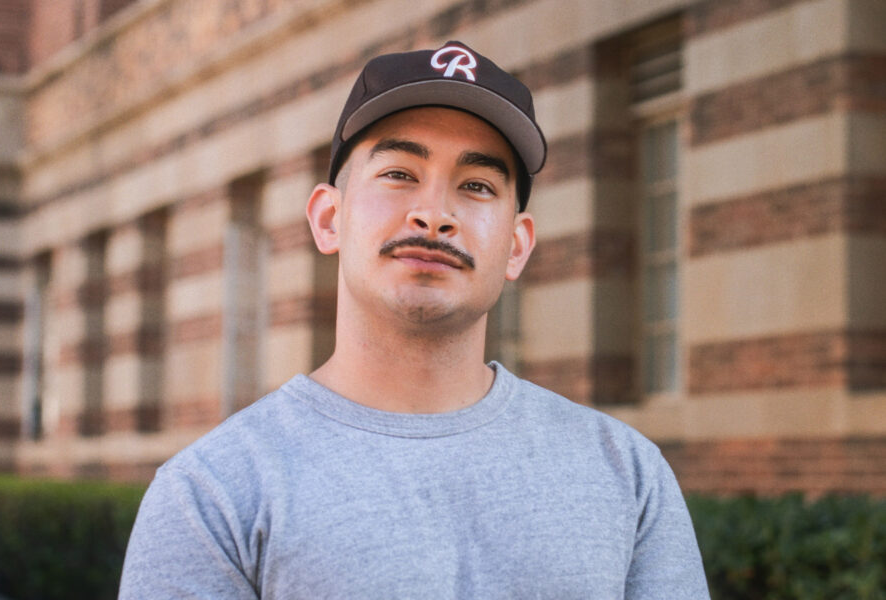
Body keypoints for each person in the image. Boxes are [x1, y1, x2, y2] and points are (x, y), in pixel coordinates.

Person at [119, 41, 710, 599]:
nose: (434, 215)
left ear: (517, 246)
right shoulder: (212, 493)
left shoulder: (625, 473)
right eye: (400, 174)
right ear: (329, 219)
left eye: (476, 186)